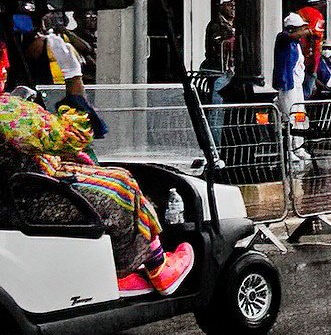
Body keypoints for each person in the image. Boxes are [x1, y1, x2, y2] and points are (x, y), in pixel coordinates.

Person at [0, 94, 195, 297]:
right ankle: (140, 268)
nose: (5, 67)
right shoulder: (6, 110)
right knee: (120, 187)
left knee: (117, 176)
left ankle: (145, 262)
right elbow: (71, 136)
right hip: (34, 197)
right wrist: (74, 89)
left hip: (25, 190)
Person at [274, 13, 313, 160]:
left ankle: (299, 146)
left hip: (297, 85)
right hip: (287, 84)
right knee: (289, 115)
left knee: (299, 115)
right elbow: (286, 35)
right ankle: (289, 149)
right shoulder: (283, 38)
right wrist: (307, 30)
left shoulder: (296, 44)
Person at [201, 0, 238, 104]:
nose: (233, 7)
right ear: (221, 7)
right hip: (220, 71)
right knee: (217, 103)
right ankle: (215, 121)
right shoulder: (215, 25)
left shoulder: (237, 25)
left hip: (233, 72)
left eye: (234, 5)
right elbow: (218, 46)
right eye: (229, 5)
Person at [296, 0, 331, 98]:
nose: (324, 5)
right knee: (307, 90)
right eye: (323, 2)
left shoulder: (299, 13)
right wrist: (313, 63)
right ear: (317, 3)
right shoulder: (316, 16)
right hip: (310, 57)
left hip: (298, 54)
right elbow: (315, 38)